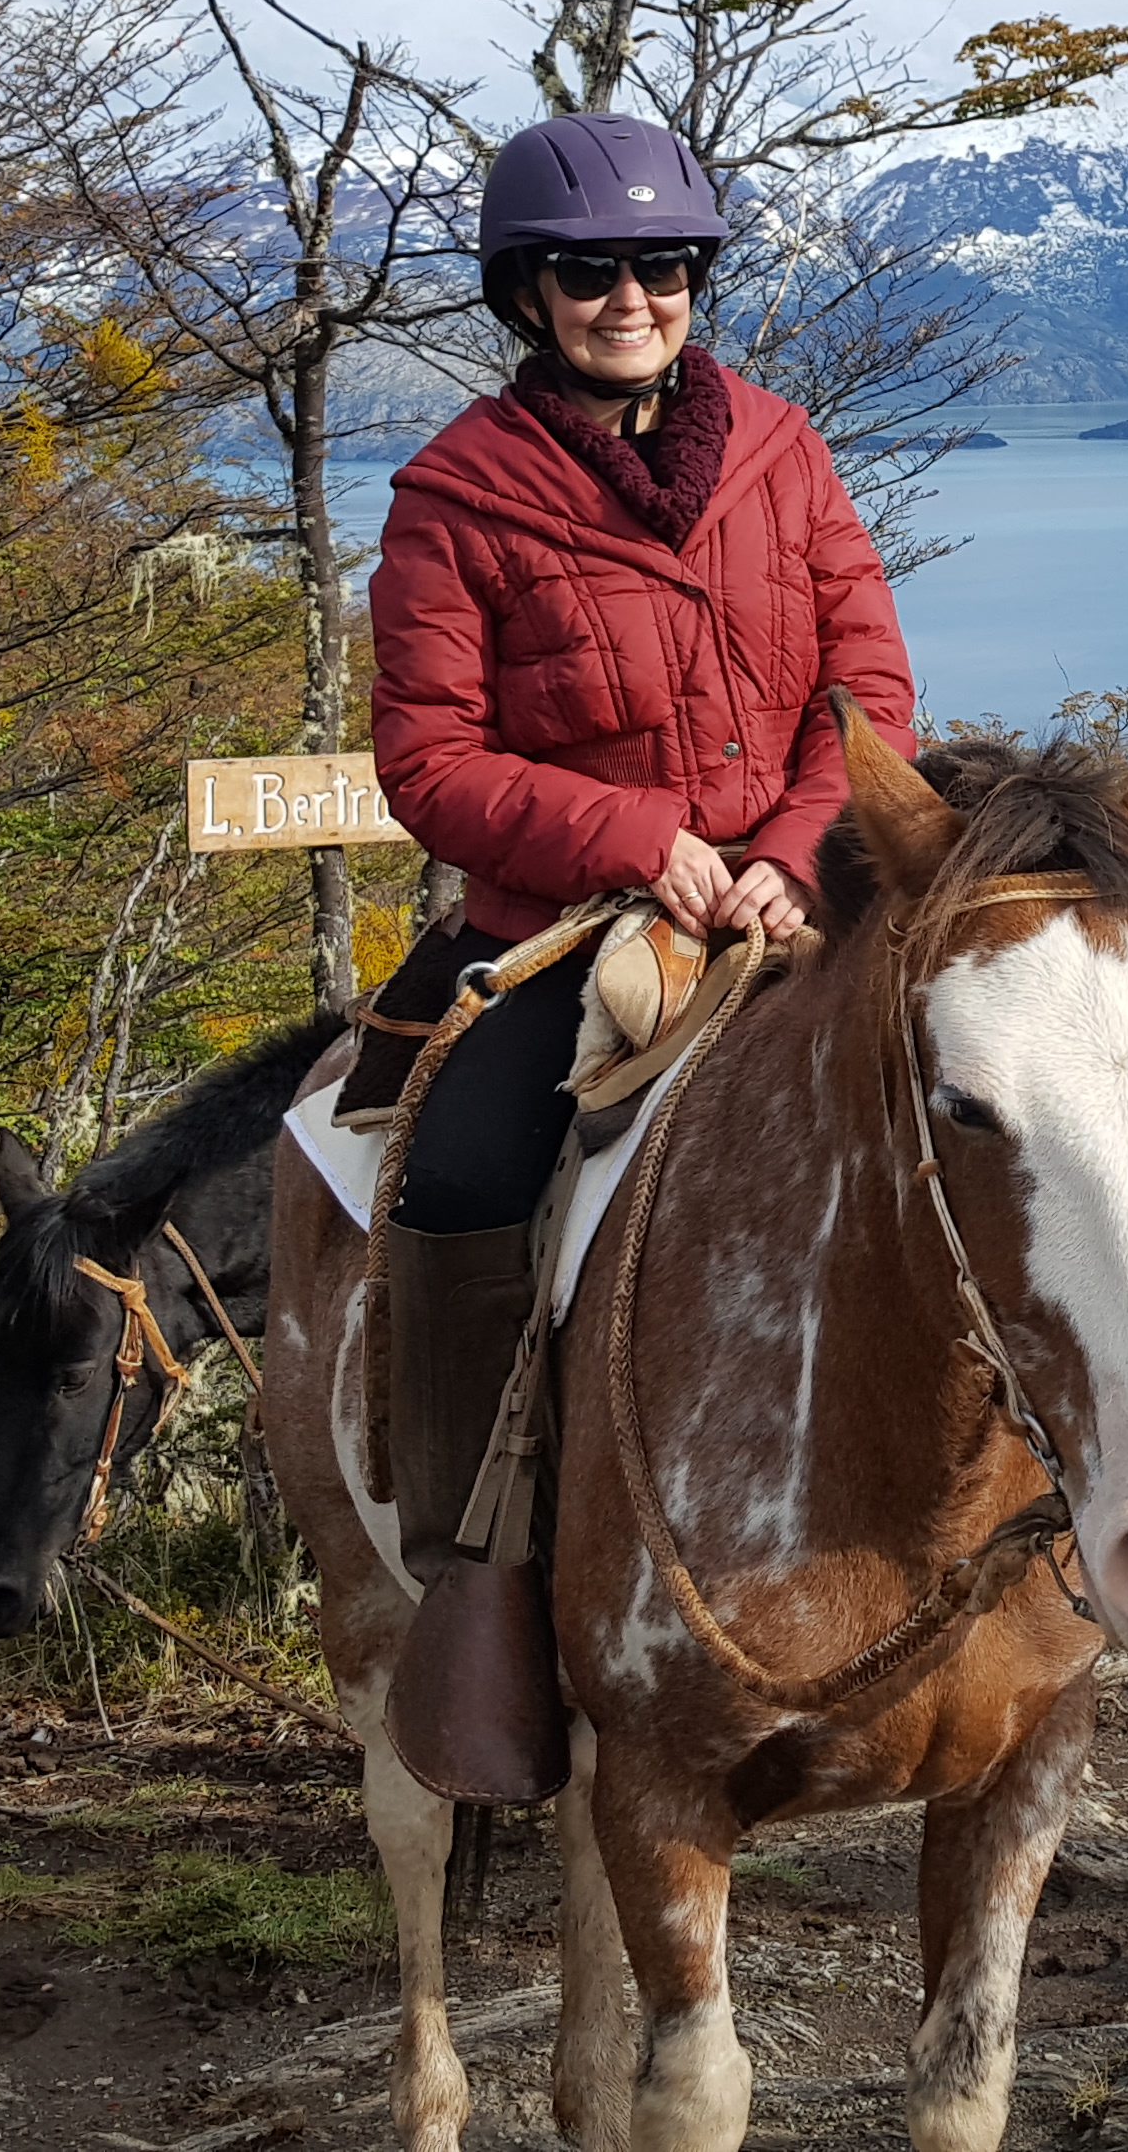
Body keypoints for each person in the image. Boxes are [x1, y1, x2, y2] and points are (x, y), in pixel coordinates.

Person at [353, 110, 917, 1793]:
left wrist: (791, 848)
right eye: (592, 272)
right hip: (576, 920)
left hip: (791, 888)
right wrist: (637, 844)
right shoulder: (456, 498)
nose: (634, 298)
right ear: (525, 294)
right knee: (459, 1179)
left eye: (664, 268)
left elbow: (867, 693)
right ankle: (483, 1557)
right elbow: (428, 761)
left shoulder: (781, 451)